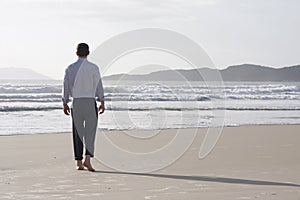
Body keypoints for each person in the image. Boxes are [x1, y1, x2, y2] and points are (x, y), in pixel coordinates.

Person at [62, 43, 105, 172]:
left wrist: (65, 102)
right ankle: (87, 159)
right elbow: (98, 85)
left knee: (77, 132)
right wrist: (102, 100)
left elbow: (66, 87)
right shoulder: (93, 68)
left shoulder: (70, 68)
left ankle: (79, 162)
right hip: (90, 102)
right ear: (88, 53)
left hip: (77, 102)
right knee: (90, 132)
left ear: (76, 53)